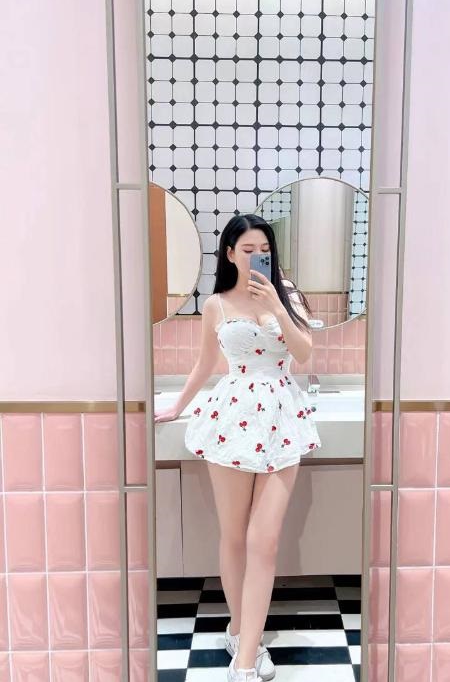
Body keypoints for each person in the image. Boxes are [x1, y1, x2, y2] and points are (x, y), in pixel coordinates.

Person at [154, 213, 322, 682]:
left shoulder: (288, 296)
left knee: (263, 541)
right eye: (247, 250)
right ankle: (241, 631)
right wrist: (178, 405)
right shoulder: (216, 304)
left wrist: (277, 307)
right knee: (233, 536)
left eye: (263, 250)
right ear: (229, 253)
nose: (256, 257)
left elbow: (303, 353)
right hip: (232, 415)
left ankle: (244, 661)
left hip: (281, 417)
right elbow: (206, 362)